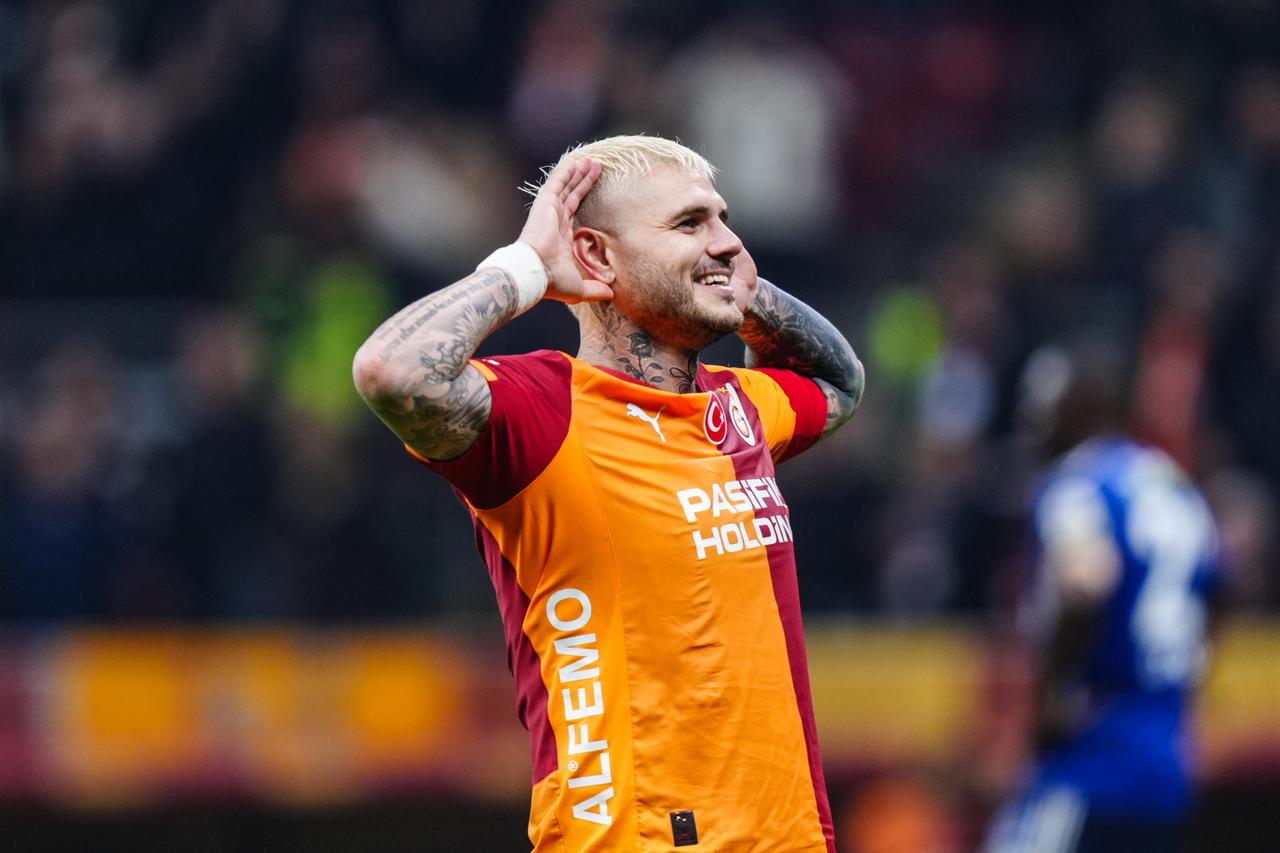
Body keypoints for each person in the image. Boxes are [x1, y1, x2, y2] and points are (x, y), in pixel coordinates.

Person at [352, 135, 863, 851]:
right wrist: (524, 267)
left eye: (723, 220)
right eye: (690, 223)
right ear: (595, 255)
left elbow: (840, 383)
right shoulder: (542, 411)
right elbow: (393, 371)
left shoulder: (740, 406)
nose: (727, 240)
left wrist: (745, 293)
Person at [983, 345, 1227, 853]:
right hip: (1165, 756)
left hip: (1092, 753)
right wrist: (1189, 669)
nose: (1035, 419)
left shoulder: (1076, 484)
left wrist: (1056, 694)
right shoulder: (1170, 482)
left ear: (1082, 407)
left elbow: (1086, 583)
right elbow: (1225, 581)